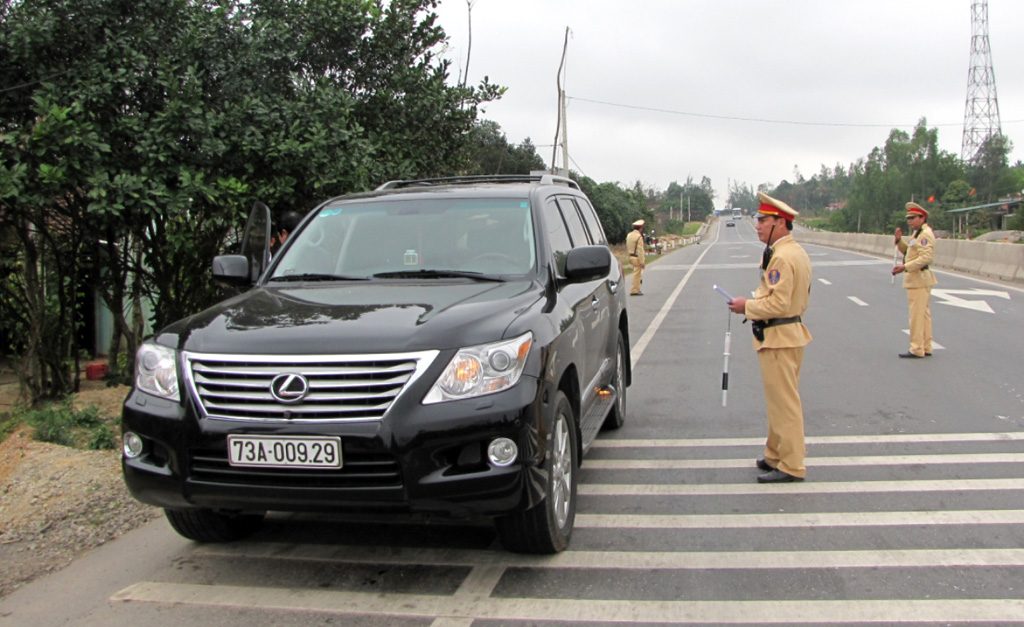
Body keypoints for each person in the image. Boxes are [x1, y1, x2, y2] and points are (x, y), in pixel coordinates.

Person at [727, 192, 812, 483]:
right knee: (778, 401)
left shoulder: (782, 257)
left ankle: (791, 464)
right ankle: (775, 454)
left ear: (781, 223)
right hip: (785, 334)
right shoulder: (792, 252)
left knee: (785, 404)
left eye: (763, 221)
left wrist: (746, 307)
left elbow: (778, 303)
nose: (758, 226)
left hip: (779, 336)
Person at [892, 202, 937, 358]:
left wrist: (904, 267)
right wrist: (899, 242)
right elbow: (910, 252)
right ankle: (926, 345)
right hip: (919, 278)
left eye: (913, 218)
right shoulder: (917, 234)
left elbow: (925, 258)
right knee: (923, 315)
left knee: (917, 316)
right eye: (908, 218)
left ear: (922, 217)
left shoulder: (925, 235)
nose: (909, 221)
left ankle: (917, 348)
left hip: (919, 278)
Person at [625, 218, 646, 296]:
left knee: (635, 273)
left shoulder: (629, 235)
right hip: (636, 257)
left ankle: (636, 289)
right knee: (637, 275)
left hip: (630, 256)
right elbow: (640, 250)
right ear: (640, 228)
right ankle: (635, 290)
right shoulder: (638, 237)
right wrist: (642, 262)